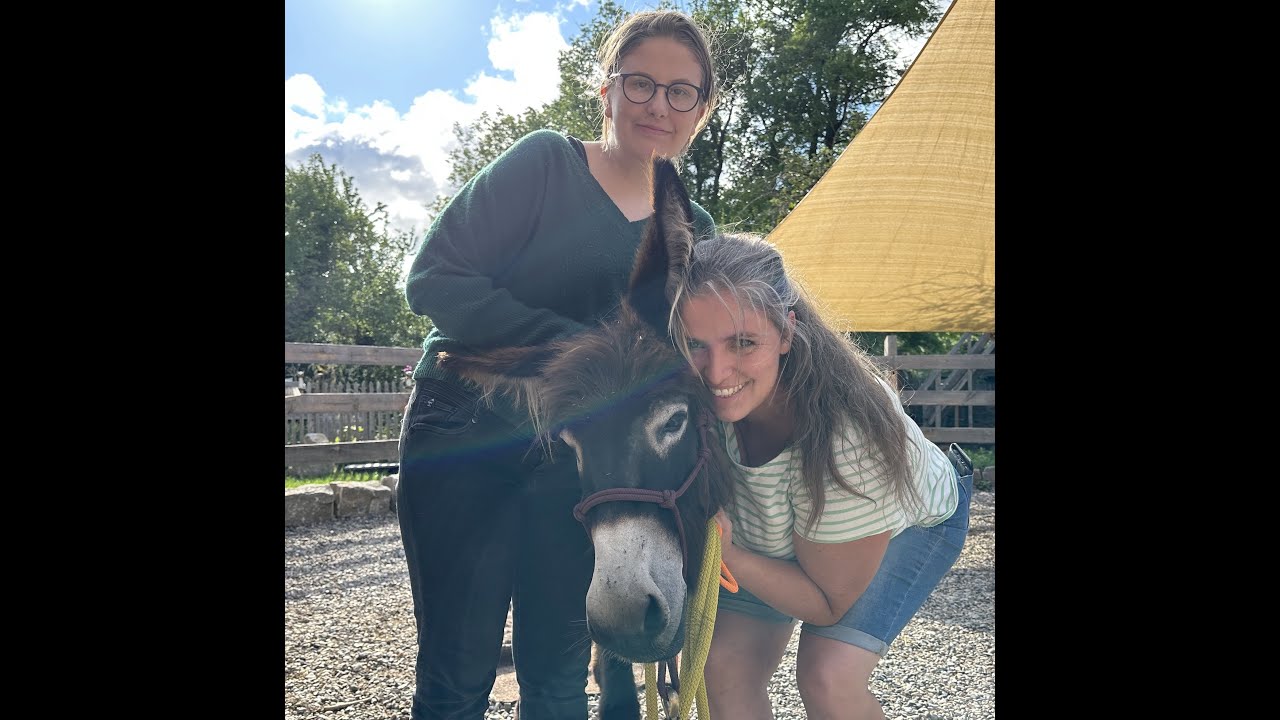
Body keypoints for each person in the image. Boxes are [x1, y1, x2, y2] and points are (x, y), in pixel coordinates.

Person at [397, 10, 721, 720]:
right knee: (456, 671)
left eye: (680, 92)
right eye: (639, 84)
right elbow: (434, 279)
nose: (657, 105)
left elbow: (705, 367)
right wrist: (582, 352)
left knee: (559, 675)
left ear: (703, 108)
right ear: (605, 90)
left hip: (582, 471)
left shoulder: (698, 233)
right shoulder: (545, 163)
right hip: (464, 435)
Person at [668, 232, 974, 720]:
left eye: (743, 342)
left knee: (827, 676)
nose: (715, 370)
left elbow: (826, 602)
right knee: (718, 670)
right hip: (768, 532)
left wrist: (726, 553)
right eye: (694, 344)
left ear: (787, 333)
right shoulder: (686, 399)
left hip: (911, 524)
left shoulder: (849, 435)